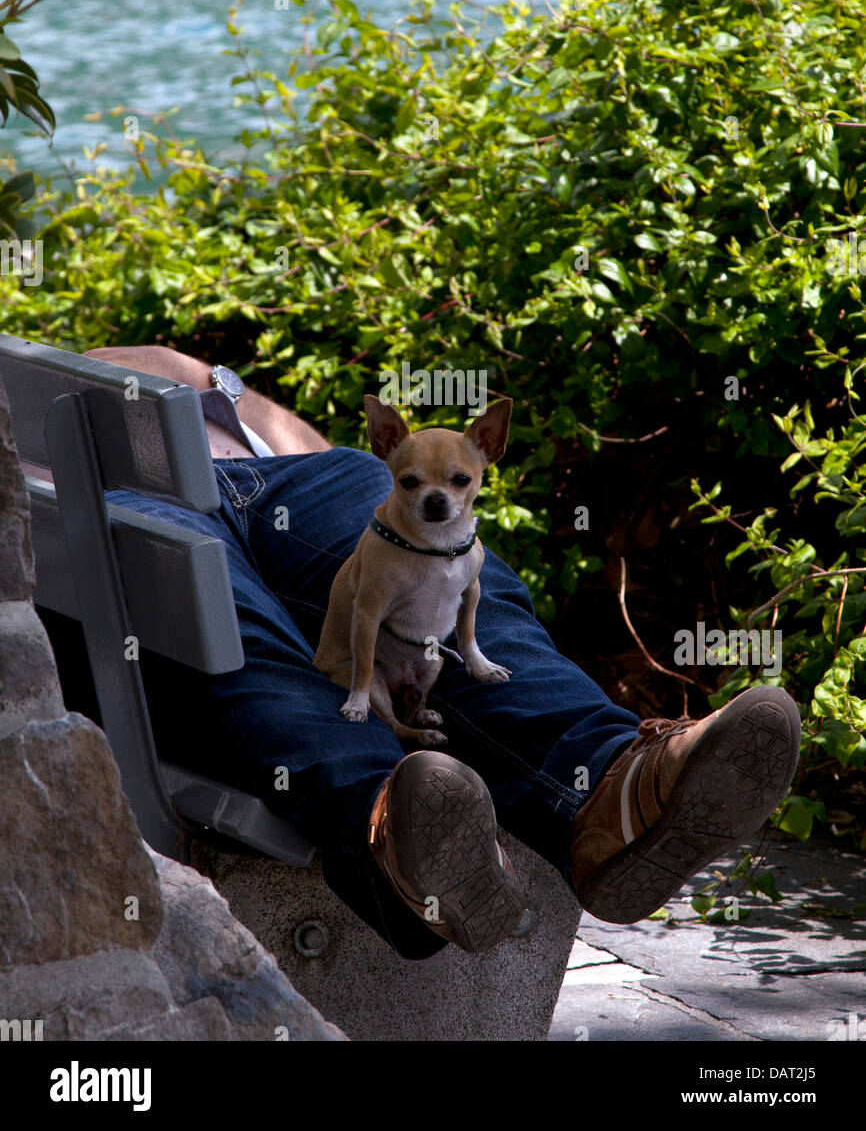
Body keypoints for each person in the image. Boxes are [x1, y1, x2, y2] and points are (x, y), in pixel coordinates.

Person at [84, 344, 801, 958]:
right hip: (104, 488)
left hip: (289, 474)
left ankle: (611, 784)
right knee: (232, 627)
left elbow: (270, 415)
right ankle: (394, 833)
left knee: (457, 590)